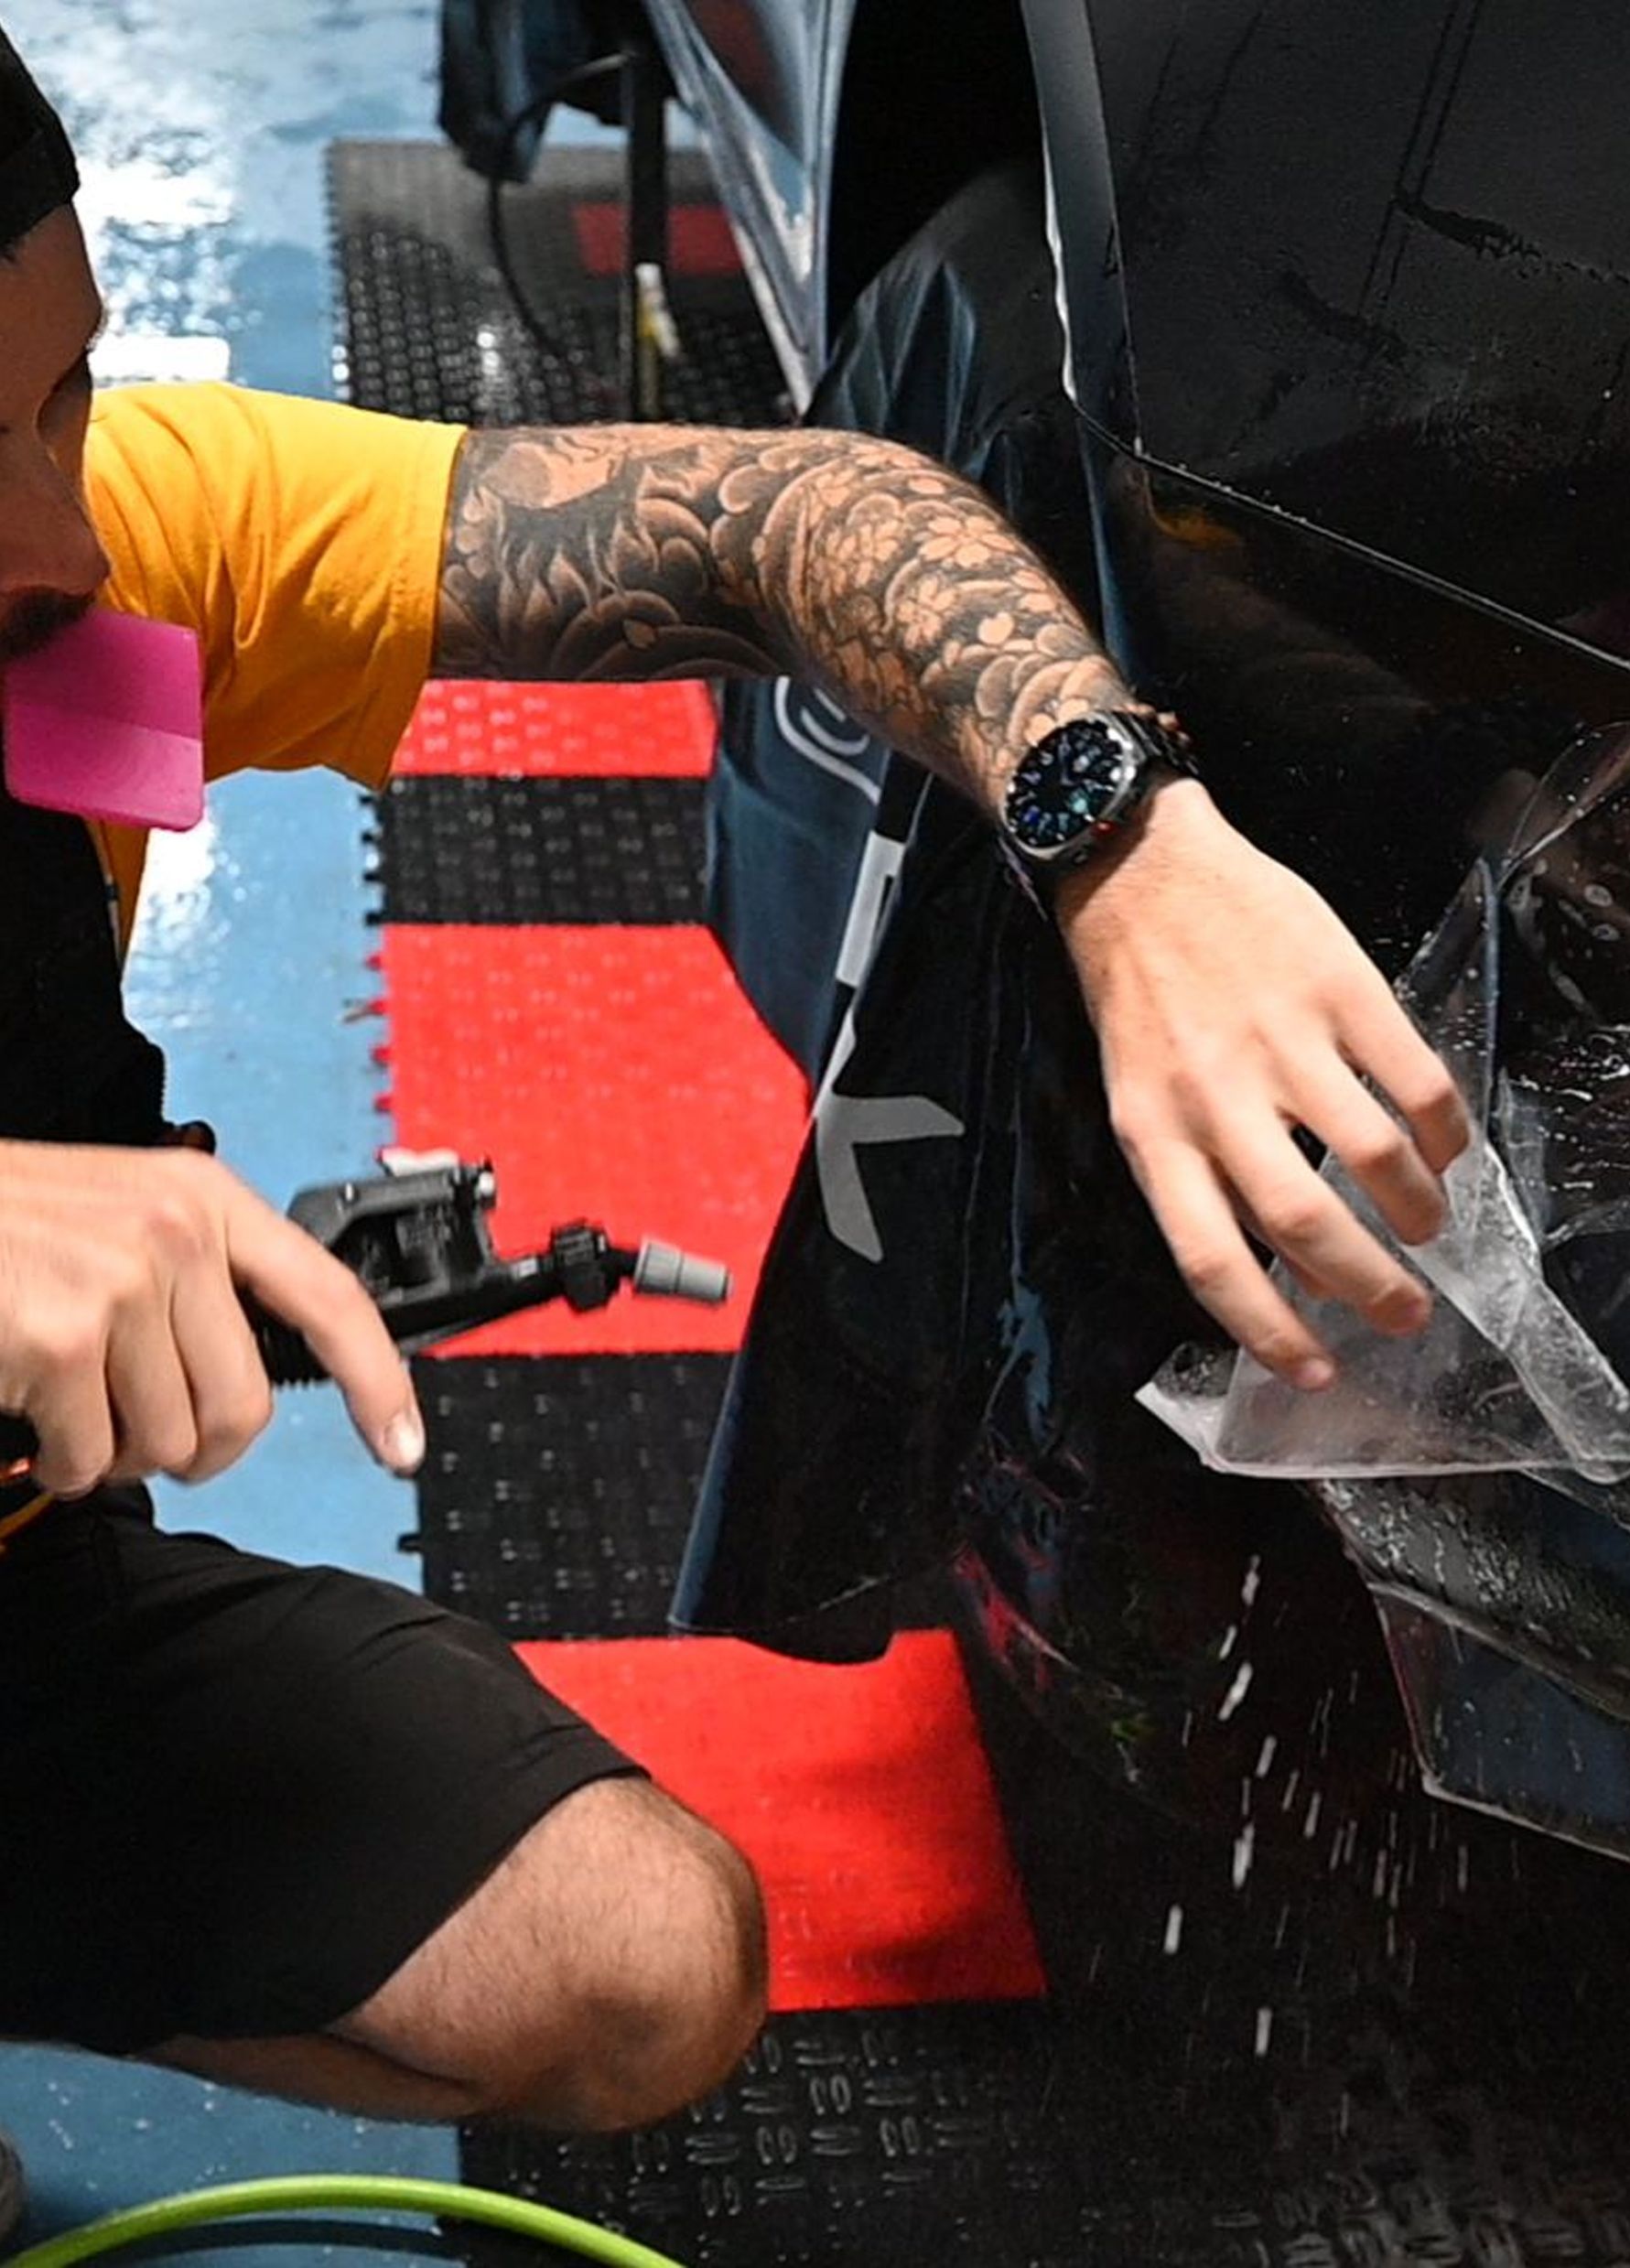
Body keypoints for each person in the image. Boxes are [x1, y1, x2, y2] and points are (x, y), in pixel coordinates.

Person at [0, 23, 1468, 2129]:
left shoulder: (104, 582)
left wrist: (1122, 838)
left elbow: (783, 521)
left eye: (59, 401)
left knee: (643, 1958)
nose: (56, 530)